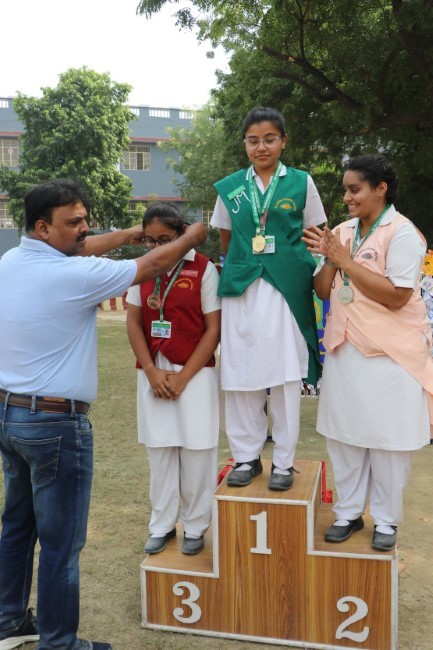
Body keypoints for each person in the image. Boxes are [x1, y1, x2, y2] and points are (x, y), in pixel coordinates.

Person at [0, 179, 206, 650]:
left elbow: (85, 246)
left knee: (17, 529)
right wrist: (194, 234)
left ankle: (9, 623)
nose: (85, 229)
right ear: (42, 228)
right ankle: (59, 643)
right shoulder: (75, 275)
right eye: (74, 222)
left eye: (85, 219)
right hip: (55, 425)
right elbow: (154, 264)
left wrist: (133, 231)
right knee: (61, 544)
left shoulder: (11, 261)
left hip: (10, 417)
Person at [302, 154, 433, 551]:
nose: (347, 197)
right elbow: (322, 290)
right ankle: (348, 513)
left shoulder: (403, 233)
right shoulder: (343, 231)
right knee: (345, 436)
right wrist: (331, 258)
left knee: (389, 441)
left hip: (392, 354)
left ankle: (387, 521)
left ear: (381, 189)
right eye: (345, 189)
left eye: (354, 189)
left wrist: (345, 260)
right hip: (345, 348)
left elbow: (396, 296)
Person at [210, 106, 326, 491]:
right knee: (240, 373)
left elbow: (315, 234)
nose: (261, 147)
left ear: (283, 141)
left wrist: (297, 265)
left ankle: (284, 462)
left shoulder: (301, 182)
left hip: (285, 289)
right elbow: (226, 239)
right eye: (253, 140)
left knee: (285, 375)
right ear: (245, 144)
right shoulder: (231, 188)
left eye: (270, 139)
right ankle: (246, 457)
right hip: (243, 288)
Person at [126, 203, 221, 556]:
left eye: (164, 239)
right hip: (153, 372)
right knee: (160, 452)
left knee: (197, 452)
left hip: (194, 374)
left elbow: (213, 329)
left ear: (181, 234)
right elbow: (133, 322)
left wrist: (183, 378)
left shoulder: (203, 268)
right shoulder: (142, 269)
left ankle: (195, 526)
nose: (155, 247)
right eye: (149, 241)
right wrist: (151, 371)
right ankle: (162, 525)